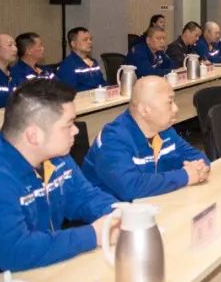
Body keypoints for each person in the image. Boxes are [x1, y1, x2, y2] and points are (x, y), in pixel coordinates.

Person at [0, 80, 118, 282]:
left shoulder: (55, 155)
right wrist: (93, 235)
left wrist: (119, 213)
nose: (76, 131)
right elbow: (16, 251)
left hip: (47, 265)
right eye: (68, 125)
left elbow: (86, 197)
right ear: (34, 136)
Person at [82, 77, 210, 200]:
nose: (176, 108)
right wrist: (185, 175)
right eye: (169, 102)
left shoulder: (164, 130)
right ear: (144, 110)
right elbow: (131, 188)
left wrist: (199, 168)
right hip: (111, 212)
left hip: (152, 203)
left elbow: (197, 157)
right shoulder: (112, 139)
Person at [57, 27, 107, 91]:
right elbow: (69, 92)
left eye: (90, 39)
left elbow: (103, 84)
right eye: (85, 40)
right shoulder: (67, 65)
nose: (90, 42)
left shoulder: (94, 62)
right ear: (73, 44)